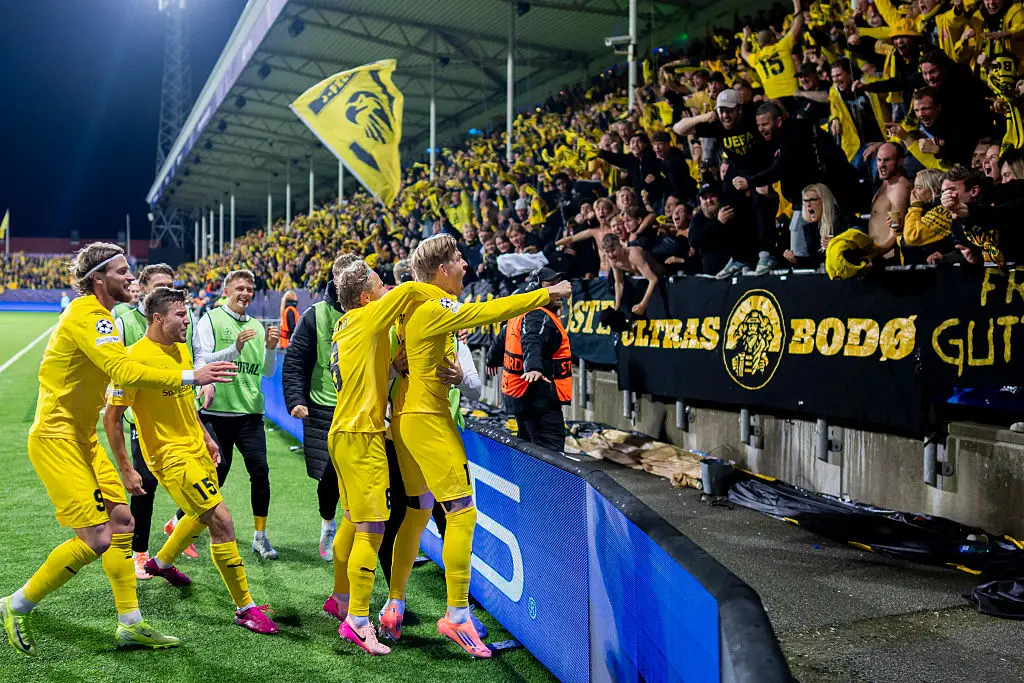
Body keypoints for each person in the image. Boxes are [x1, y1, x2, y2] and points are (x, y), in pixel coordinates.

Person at [0, 242, 234, 656]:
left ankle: (130, 624)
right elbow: (123, 371)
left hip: (81, 438)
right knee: (95, 539)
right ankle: (15, 604)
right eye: (123, 271)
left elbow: (122, 375)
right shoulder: (89, 315)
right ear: (98, 278)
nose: (131, 277)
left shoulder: (101, 318)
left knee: (123, 520)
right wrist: (190, 376)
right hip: (57, 439)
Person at [381, 234, 572, 658]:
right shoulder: (433, 303)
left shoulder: (409, 308)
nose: (466, 267)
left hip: (406, 420)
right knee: (462, 512)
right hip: (428, 420)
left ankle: (394, 603)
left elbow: (403, 360)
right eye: (458, 260)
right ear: (441, 269)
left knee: (415, 514)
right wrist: (546, 293)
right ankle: (457, 614)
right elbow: (489, 311)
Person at [103, 287, 278, 634]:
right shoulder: (133, 359)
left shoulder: (180, 349)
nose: (188, 320)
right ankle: (245, 608)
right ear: (157, 318)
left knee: (200, 516)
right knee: (221, 519)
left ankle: (162, 562)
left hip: (195, 447)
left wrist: (208, 437)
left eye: (187, 314)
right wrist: (126, 467)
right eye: (180, 315)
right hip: (169, 456)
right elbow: (112, 417)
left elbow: (185, 402)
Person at [321, 262, 431, 655]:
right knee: (373, 530)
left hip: (342, 433)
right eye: (380, 284)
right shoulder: (370, 316)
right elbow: (413, 290)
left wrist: (391, 368)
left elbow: (366, 373)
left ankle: (340, 598)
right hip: (363, 436)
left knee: (353, 522)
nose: (388, 288)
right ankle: (358, 621)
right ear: (366, 298)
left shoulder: (346, 326)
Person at [115, 263, 213, 577]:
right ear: (143, 289)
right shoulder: (126, 322)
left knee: (212, 474)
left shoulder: (179, 324)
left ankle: (176, 525)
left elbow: (194, 360)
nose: (165, 290)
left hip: (180, 415)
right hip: (140, 417)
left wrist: (202, 379)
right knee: (145, 485)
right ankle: (139, 552)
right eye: (159, 285)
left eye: (169, 284)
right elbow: (118, 371)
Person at [189, 270, 281, 560]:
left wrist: (269, 349)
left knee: (261, 472)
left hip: (249, 414)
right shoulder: (211, 320)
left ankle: (260, 537)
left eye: (249, 289)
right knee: (216, 475)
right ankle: (182, 523)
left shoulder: (256, 325)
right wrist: (233, 350)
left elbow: (267, 371)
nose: (245, 293)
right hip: (216, 414)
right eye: (239, 288)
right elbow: (201, 360)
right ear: (227, 290)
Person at [283, 255, 357, 562]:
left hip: (361, 409)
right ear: (336, 279)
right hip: (323, 407)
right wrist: (296, 400)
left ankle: (358, 532)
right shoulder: (315, 315)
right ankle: (328, 524)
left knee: (358, 478)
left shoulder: (374, 311)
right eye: (344, 277)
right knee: (329, 476)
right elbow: (295, 361)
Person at [488, 267, 573, 452]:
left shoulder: (522, 310)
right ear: (537, 288)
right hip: (536, 395)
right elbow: (532, 339)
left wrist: (491, 359)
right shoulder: (537, 314)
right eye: (551, 285)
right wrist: (533, 367)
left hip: (520, 394)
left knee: (527, 446)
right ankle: (547, 483)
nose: (557, 289)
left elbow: (503, 336)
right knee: (550, 452)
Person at [741, 0, 805, 104]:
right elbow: (797, 24)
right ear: (772, 39)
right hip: (793, 96)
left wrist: (745, 37)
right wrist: (797, 4)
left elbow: (743, 52)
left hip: (774, 102)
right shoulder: (782, 46)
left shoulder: (755, 58)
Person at [870, 143, 911, 259]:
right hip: (879, 258)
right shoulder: (885, 185)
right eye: (879, 160)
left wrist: (872, 256)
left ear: (900, 162)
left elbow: (896, 232)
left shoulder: (899, 188)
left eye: (887, 160)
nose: (881, 165)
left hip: (889, 260)